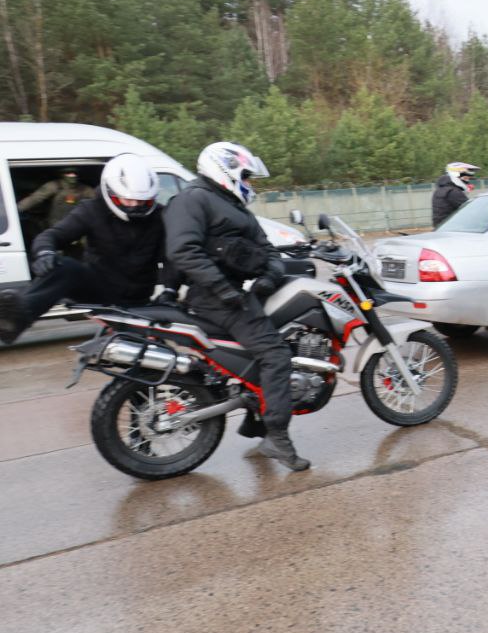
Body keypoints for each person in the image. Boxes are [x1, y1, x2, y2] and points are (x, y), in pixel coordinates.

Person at [164, 141, 309, 472]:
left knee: (271, 345)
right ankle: (277, 437)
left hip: (236, 294)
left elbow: (268, 250)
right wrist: (224, 290)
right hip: (215, 300)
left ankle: (255, 422)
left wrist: (268, 280)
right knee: (275, 355)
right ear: (226, 169)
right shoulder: (194, 199)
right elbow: (182, 251)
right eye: (246, 176)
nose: (249, 183)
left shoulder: (230, 203)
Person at [0, 154, 178, 345]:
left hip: (139, 299)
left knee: (155, 358)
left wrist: (170, 290)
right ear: (110, 192)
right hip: (99, 290)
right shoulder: (91, 210)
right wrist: (45, 252)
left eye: (143, 201)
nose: (135, 206)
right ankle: (15, 318)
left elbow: (172, 256)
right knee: (65, 267)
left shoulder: (159, 216)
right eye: (127, 200)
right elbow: (51, 236)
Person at [17, 166, 94, 229]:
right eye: (68, 174)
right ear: (62, 175)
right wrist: (17, 209)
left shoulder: (84, 189)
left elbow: (98, 200)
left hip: (78, 224)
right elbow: (34, 198)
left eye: (74, 174)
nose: (72, 176)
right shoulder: (54, 186)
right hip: (56, 225)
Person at [431, 161, 479, 226]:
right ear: (456, 174)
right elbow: (470, 210)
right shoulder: (453, 192)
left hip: (442, 227)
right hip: (451, 228)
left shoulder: (440, 190)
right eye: (465, 176)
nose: (468, 179)